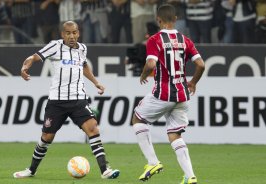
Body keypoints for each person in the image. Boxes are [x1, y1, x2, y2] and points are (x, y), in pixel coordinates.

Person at [13, 21, 120, 179]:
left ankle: (105, 170)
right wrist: (24, 67)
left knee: (93, 129)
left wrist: (96, 82)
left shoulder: (82, 48)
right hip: (57, 101)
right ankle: (31, 170)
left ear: (78, 33)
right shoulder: (55, 46)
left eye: (74, 32)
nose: (71, 36)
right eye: (68, 33)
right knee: (46, 138)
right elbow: (34, 57)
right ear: (62, 34)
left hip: (78, 100)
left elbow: (83, 67)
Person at [131, 4, 205, 184]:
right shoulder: (185, 40)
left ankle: (153, 162)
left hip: (163, 93)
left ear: (158, 20)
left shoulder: (155, 40)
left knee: (137, 119)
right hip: (182, 94)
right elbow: (201, 65)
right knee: (175, 135)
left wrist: (142, 75)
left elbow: (150, 64)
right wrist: (193, 82)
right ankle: (190, 176)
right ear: (176, 19)